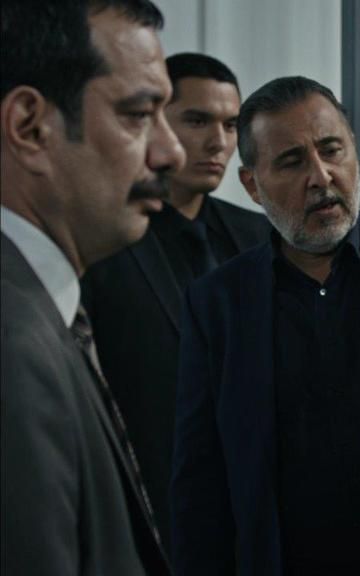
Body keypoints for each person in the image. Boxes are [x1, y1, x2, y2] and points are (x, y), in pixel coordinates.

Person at [171, 76, 360, 575]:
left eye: (332, 150)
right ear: (252, 185)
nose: (320, 175)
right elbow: (200, 486)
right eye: (291, 161)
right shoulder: (218, 303)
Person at [0, 0, 185, 574]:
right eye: (138, 114)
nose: (172, 151)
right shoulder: (12, 345)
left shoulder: (40, 313)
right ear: (30, 127)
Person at [80, 52, 268, 540]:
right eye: (198, 121)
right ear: (156, 123)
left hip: (250, 504)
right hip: (142, 505)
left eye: (231, 125)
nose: (219, 142)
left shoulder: (262, 236)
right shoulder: (105, 239)